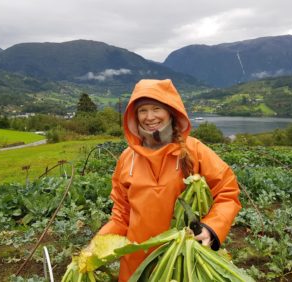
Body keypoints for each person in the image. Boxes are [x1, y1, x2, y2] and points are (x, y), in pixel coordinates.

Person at [98, 78, 241, 281]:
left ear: (170, 111)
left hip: (183, 260)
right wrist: (96, 246)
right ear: (134, 115)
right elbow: (121, 215)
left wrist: (212, 228)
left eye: (156, 108)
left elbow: (228, 192)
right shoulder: (126, 158)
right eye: (142, 110)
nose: (149, 117)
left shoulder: (194, 151)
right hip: (137, 263)